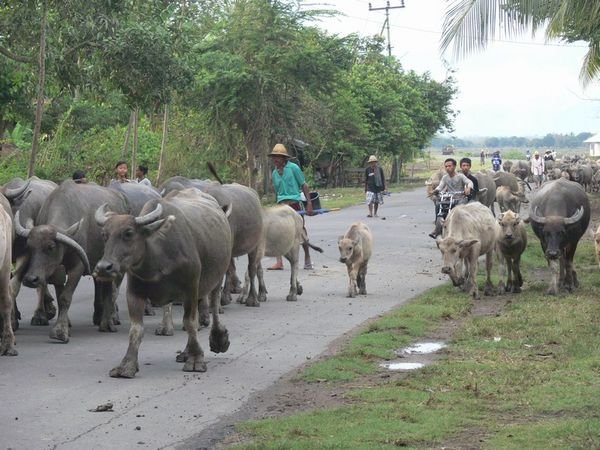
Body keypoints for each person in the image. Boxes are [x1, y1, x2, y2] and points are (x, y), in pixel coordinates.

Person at [267, 143, 314, 271]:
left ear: (284, 158)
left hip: (294, 203)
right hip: (281, 204)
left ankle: (307, 257)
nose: (275, 159)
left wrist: (309, 203)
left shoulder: (293, 168)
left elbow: (304, 185)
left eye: (278, 157)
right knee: (278, 232)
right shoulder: (275, 173)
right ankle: (279, 262)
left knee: (300, 231)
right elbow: (277, 191)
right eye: (274, 157)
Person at [429, 158, 473, 239]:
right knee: (439, 205)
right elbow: (440, 186)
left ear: (454, 166)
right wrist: (436, 190)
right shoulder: (445, 177)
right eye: (446, 166)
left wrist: (469, 188)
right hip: (449, 198)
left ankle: (466, 230)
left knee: (459, 211)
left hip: (460, 198)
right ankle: (437, 228)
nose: (447, 168)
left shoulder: (460, 176)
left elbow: (469, 182)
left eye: (450, 166)